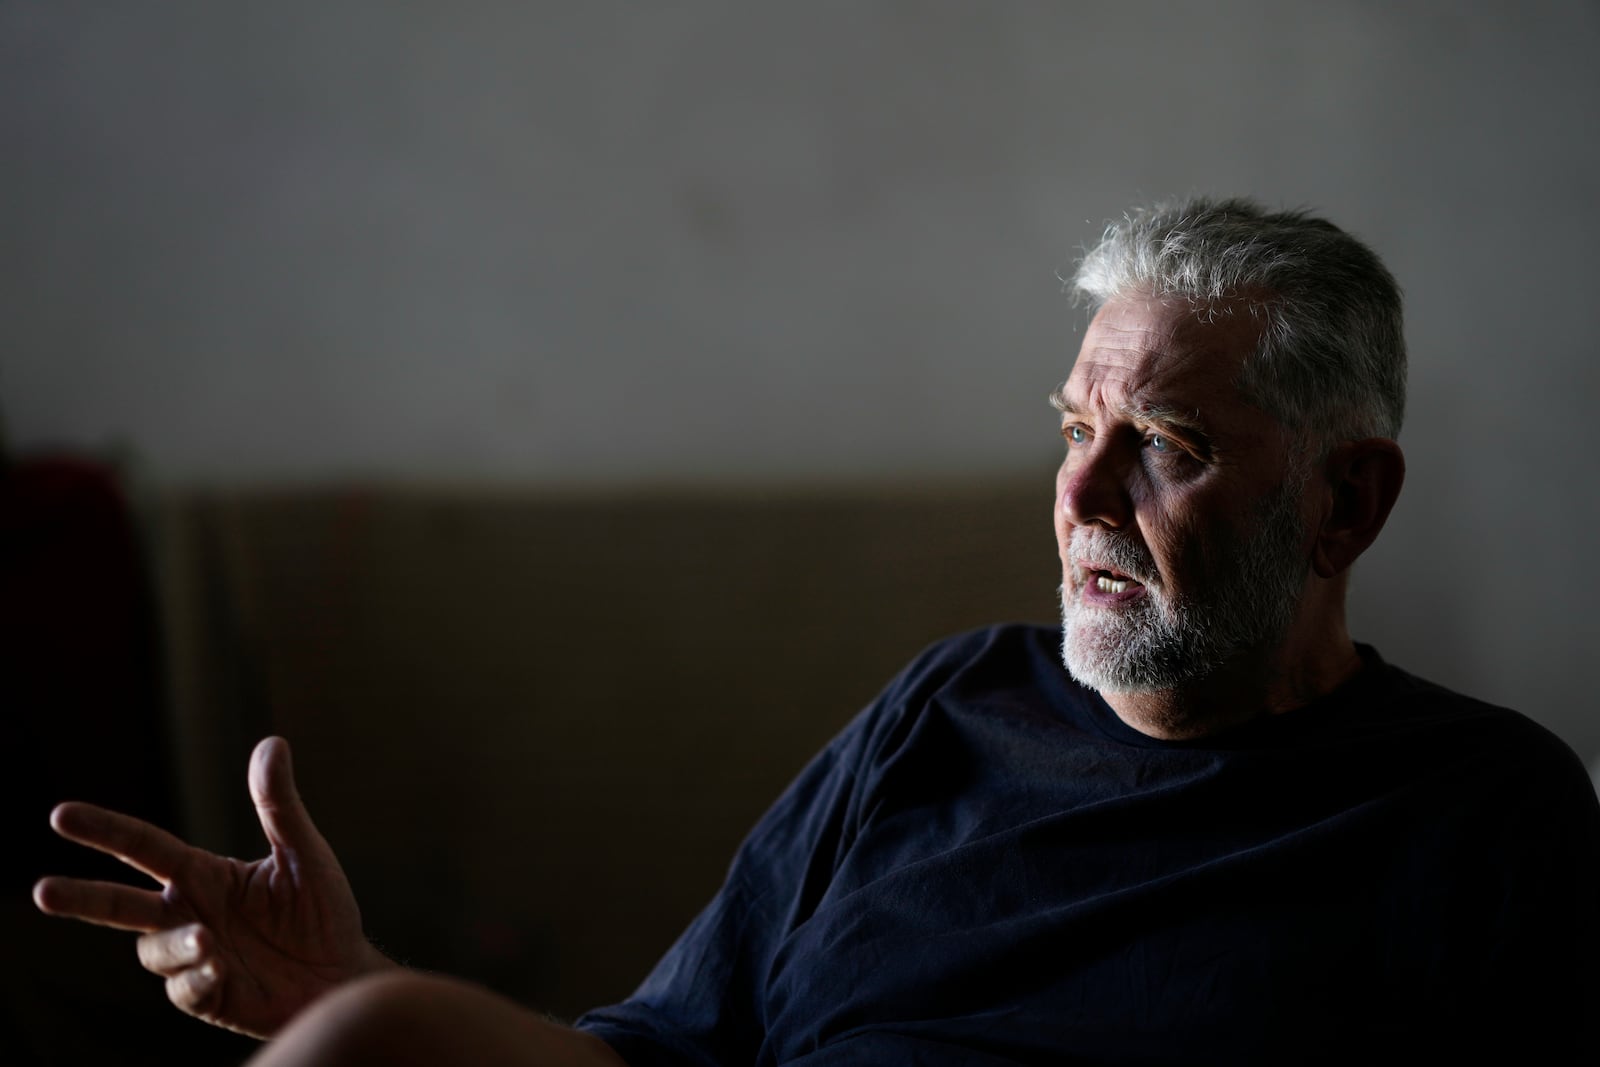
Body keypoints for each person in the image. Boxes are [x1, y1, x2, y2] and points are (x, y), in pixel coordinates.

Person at [35, 198, 1600, 1063]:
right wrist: (351, 990)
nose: (1081, 496)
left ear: (1345, 506)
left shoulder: (1479, 812)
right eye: (1073, 427)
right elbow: (664, 1057)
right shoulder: (950, 709)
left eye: (1168, 446)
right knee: (371, 1044)